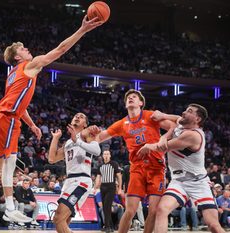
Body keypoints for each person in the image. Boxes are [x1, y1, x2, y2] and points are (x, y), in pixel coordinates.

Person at [0, 15, 103, 232]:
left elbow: (20, 104)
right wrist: (82, 30)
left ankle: (9, 207)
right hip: (7, 119)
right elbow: (60, 49)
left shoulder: (12, 75)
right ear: (17, 56)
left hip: (13, 119)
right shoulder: (28, 65)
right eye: (24, 48)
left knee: (11, 162)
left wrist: (32, 124)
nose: (28, 50)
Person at [88, 89, 174, 233]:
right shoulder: (122, 124)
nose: (130, 98)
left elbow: (175, 125)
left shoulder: (150, 116)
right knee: (130, 210)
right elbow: (100, 137)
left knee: (153, 211)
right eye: (128, 97)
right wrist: (87, 136)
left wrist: (164, 138)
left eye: (134, 97)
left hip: (156, 168)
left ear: (141, 103)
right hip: (137, 169)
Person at [138, 104, 225, 233]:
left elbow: (163, 146)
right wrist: (162, 116)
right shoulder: (181, 125)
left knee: (213, 225)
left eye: (189, 111)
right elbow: (177, 118)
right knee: (161, 210)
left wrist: (151, 144)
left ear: (197, 119)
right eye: (185, 109)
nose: (184, 112)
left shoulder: (194, 135)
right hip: (178, 181)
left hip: (198, 182)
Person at [49, 113, 101, 233]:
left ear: (85, 124)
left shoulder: (86, 135)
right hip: (69, 182)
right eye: (75, 116)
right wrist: (56, 138)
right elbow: (52, 158)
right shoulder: (68, 142)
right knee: (62, 222)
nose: (77, 117)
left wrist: (77, 140)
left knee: (58, 218)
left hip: (81, 180)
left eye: (81, 116)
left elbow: (97, 151)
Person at [95, 150, 122, 232]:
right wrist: (95, 187)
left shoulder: (114, 164)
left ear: (110, 155)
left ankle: (107, 226)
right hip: (103, 187)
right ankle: (109, 226)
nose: (106, 155)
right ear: (102, 156)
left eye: (107, 154)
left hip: (111, 186)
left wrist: (120, 188)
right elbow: (98, 177)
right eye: (104, 154)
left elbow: (119, 176)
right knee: (104, 207)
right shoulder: (100, 166)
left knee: (107, 206)